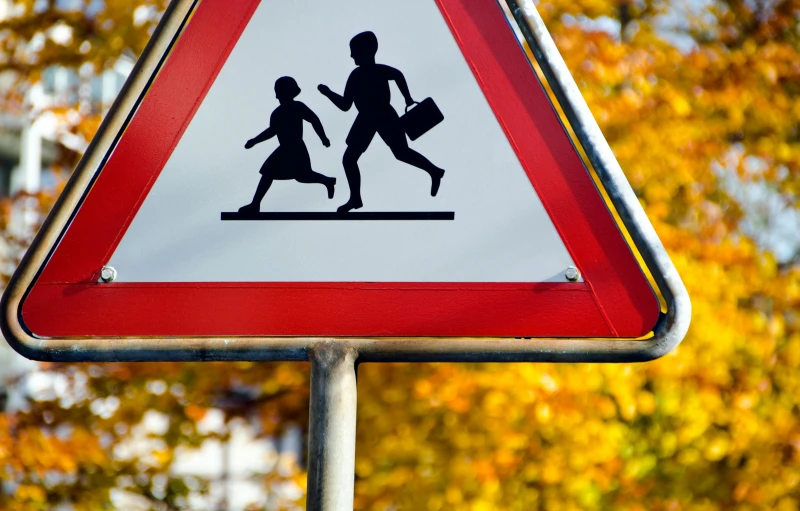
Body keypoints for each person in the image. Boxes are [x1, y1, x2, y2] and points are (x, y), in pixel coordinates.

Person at [318, 31, 445, 213]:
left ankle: (434, 171)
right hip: (369, 117)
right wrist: (328, 93)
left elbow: (397, 76)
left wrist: (408, 98)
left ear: (366, 51)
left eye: (354, 51)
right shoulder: (360, 74)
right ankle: (355, 198)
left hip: (382, 115)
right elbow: (346, 105)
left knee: (397, 153)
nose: (352, 55)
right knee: (351, 159)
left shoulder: (370, 72)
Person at [239, 76, 335, 213]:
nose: (277, 95)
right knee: (291, 175)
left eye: (279, 91)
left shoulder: (297, 106)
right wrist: (255, 141)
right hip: (285, 148)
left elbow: (314, 119)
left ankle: (255, 204)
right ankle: (327, 180)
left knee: (295, 175)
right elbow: (272, 131)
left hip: (295, 147)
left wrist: (323, 137)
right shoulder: (277, 113)